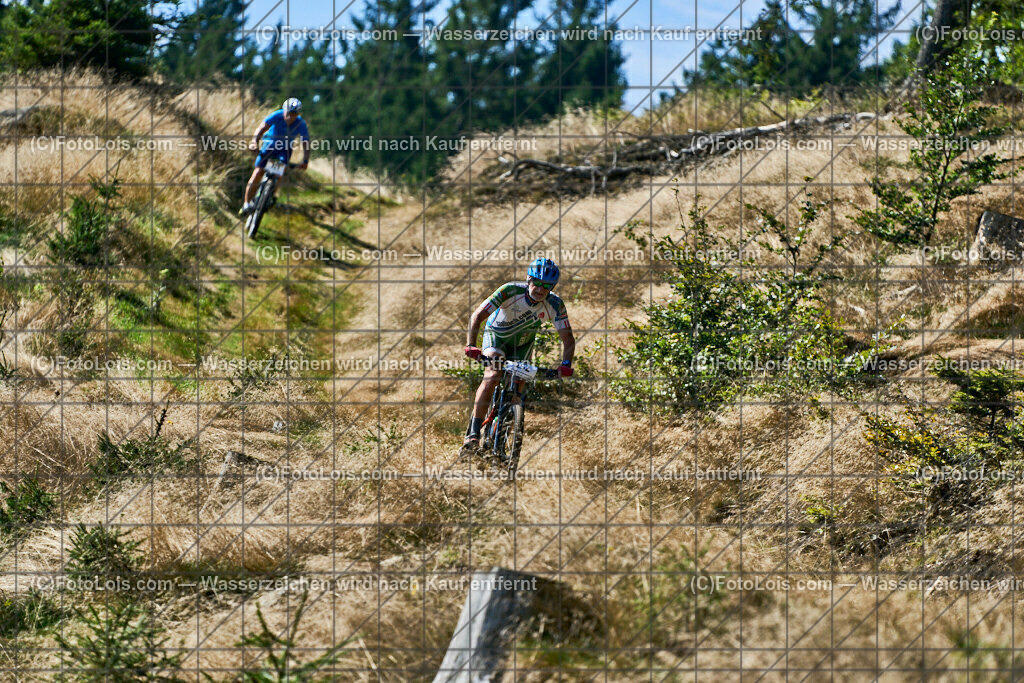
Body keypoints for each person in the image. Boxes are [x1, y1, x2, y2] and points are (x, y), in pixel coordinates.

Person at [462, 258, 575, 451]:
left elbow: (568, 339)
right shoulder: (510, 290)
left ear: (552, 287)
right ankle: (472, 434)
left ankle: (504, 430)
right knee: (493, 375)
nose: (540, 290)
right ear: (528, 279)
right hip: (496, 338)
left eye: (546, 286)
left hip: (522, 346)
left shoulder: (555, 304)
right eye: (537, 283)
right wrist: (471, 345)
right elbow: (478, 316)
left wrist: (565, 364)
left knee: (517, 390)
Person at [240, 98, 310, 216]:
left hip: (284, 150)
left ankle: (270, 196)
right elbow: (262, 128)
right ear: (284, 110)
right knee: (258, 173)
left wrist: (305, 160)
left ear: (297, 114)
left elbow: (305, 143)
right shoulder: (276, 115)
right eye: (288, 113)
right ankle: (246, 204)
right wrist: (254, 142)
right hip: (270, 144)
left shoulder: (300, 124)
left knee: (279, 173)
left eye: (293, 114)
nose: (290, 117)